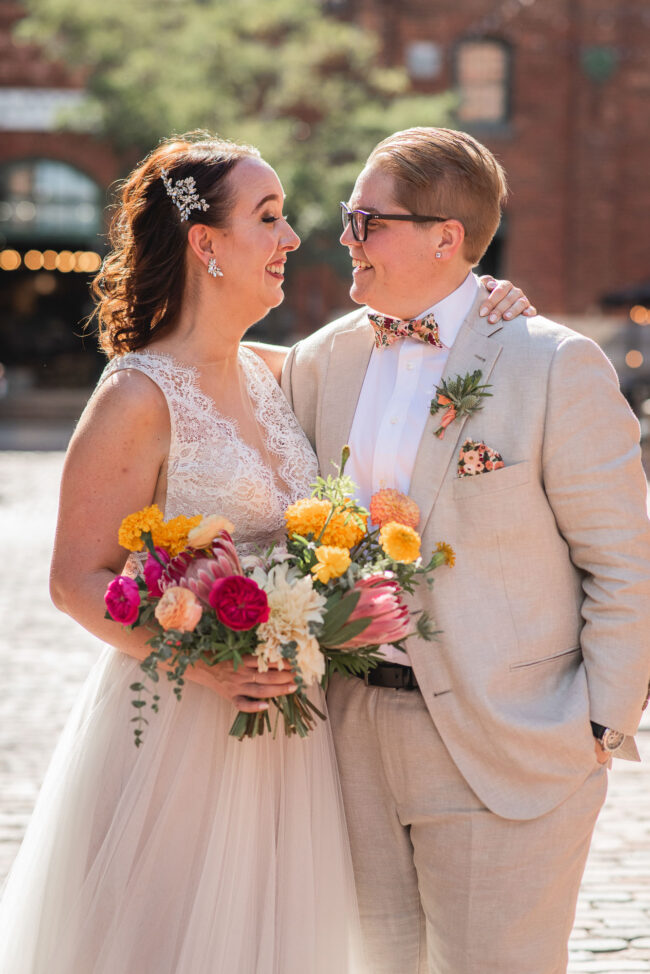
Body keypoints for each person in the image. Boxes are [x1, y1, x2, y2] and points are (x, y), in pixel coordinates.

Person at [0, 132, 529, 974]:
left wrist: (488, 301)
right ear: (204, 243)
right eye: (269, 217)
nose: (291, 238)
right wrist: (202, 662)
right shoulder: (137, 395)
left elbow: (408, 333)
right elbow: (75, 580)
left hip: (296, 739)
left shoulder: (280, 373)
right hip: (183, 731)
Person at [281, 126, 650, 974]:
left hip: (508, 745)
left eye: (367, 220)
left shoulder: (553, 363)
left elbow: (623, 559)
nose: (346, 237)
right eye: (347, 217)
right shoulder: (321, 360)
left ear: (446, 237)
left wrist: (599, 724)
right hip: (350, 742)